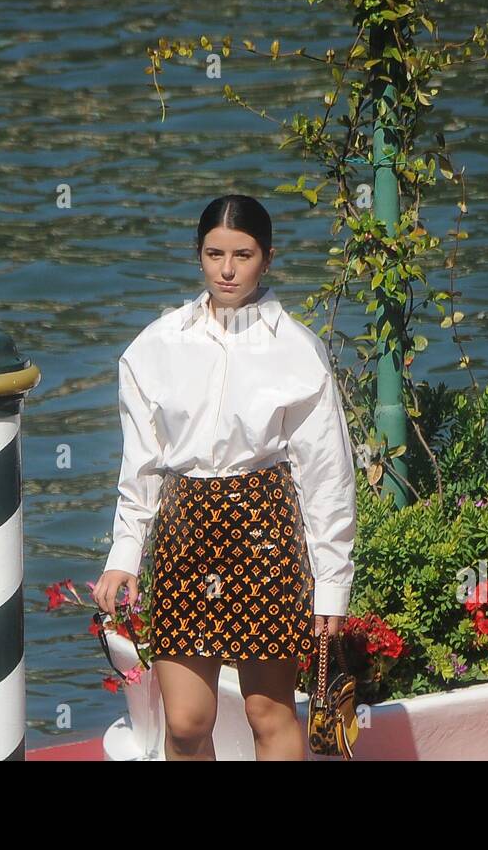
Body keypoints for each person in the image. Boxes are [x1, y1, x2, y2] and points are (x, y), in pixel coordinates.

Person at [92, 193, 357, 761]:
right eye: (215, 254)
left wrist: (331, 584)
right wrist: (124, 554)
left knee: (269, 712)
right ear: (198, 255)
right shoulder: (155, 347)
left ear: (268, 257)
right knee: (186, 722)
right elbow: (141, 463)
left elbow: (327, 476)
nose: (228, 269)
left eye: (243, 254)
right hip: (185, 528)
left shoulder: (296, 350)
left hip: (264, 528)